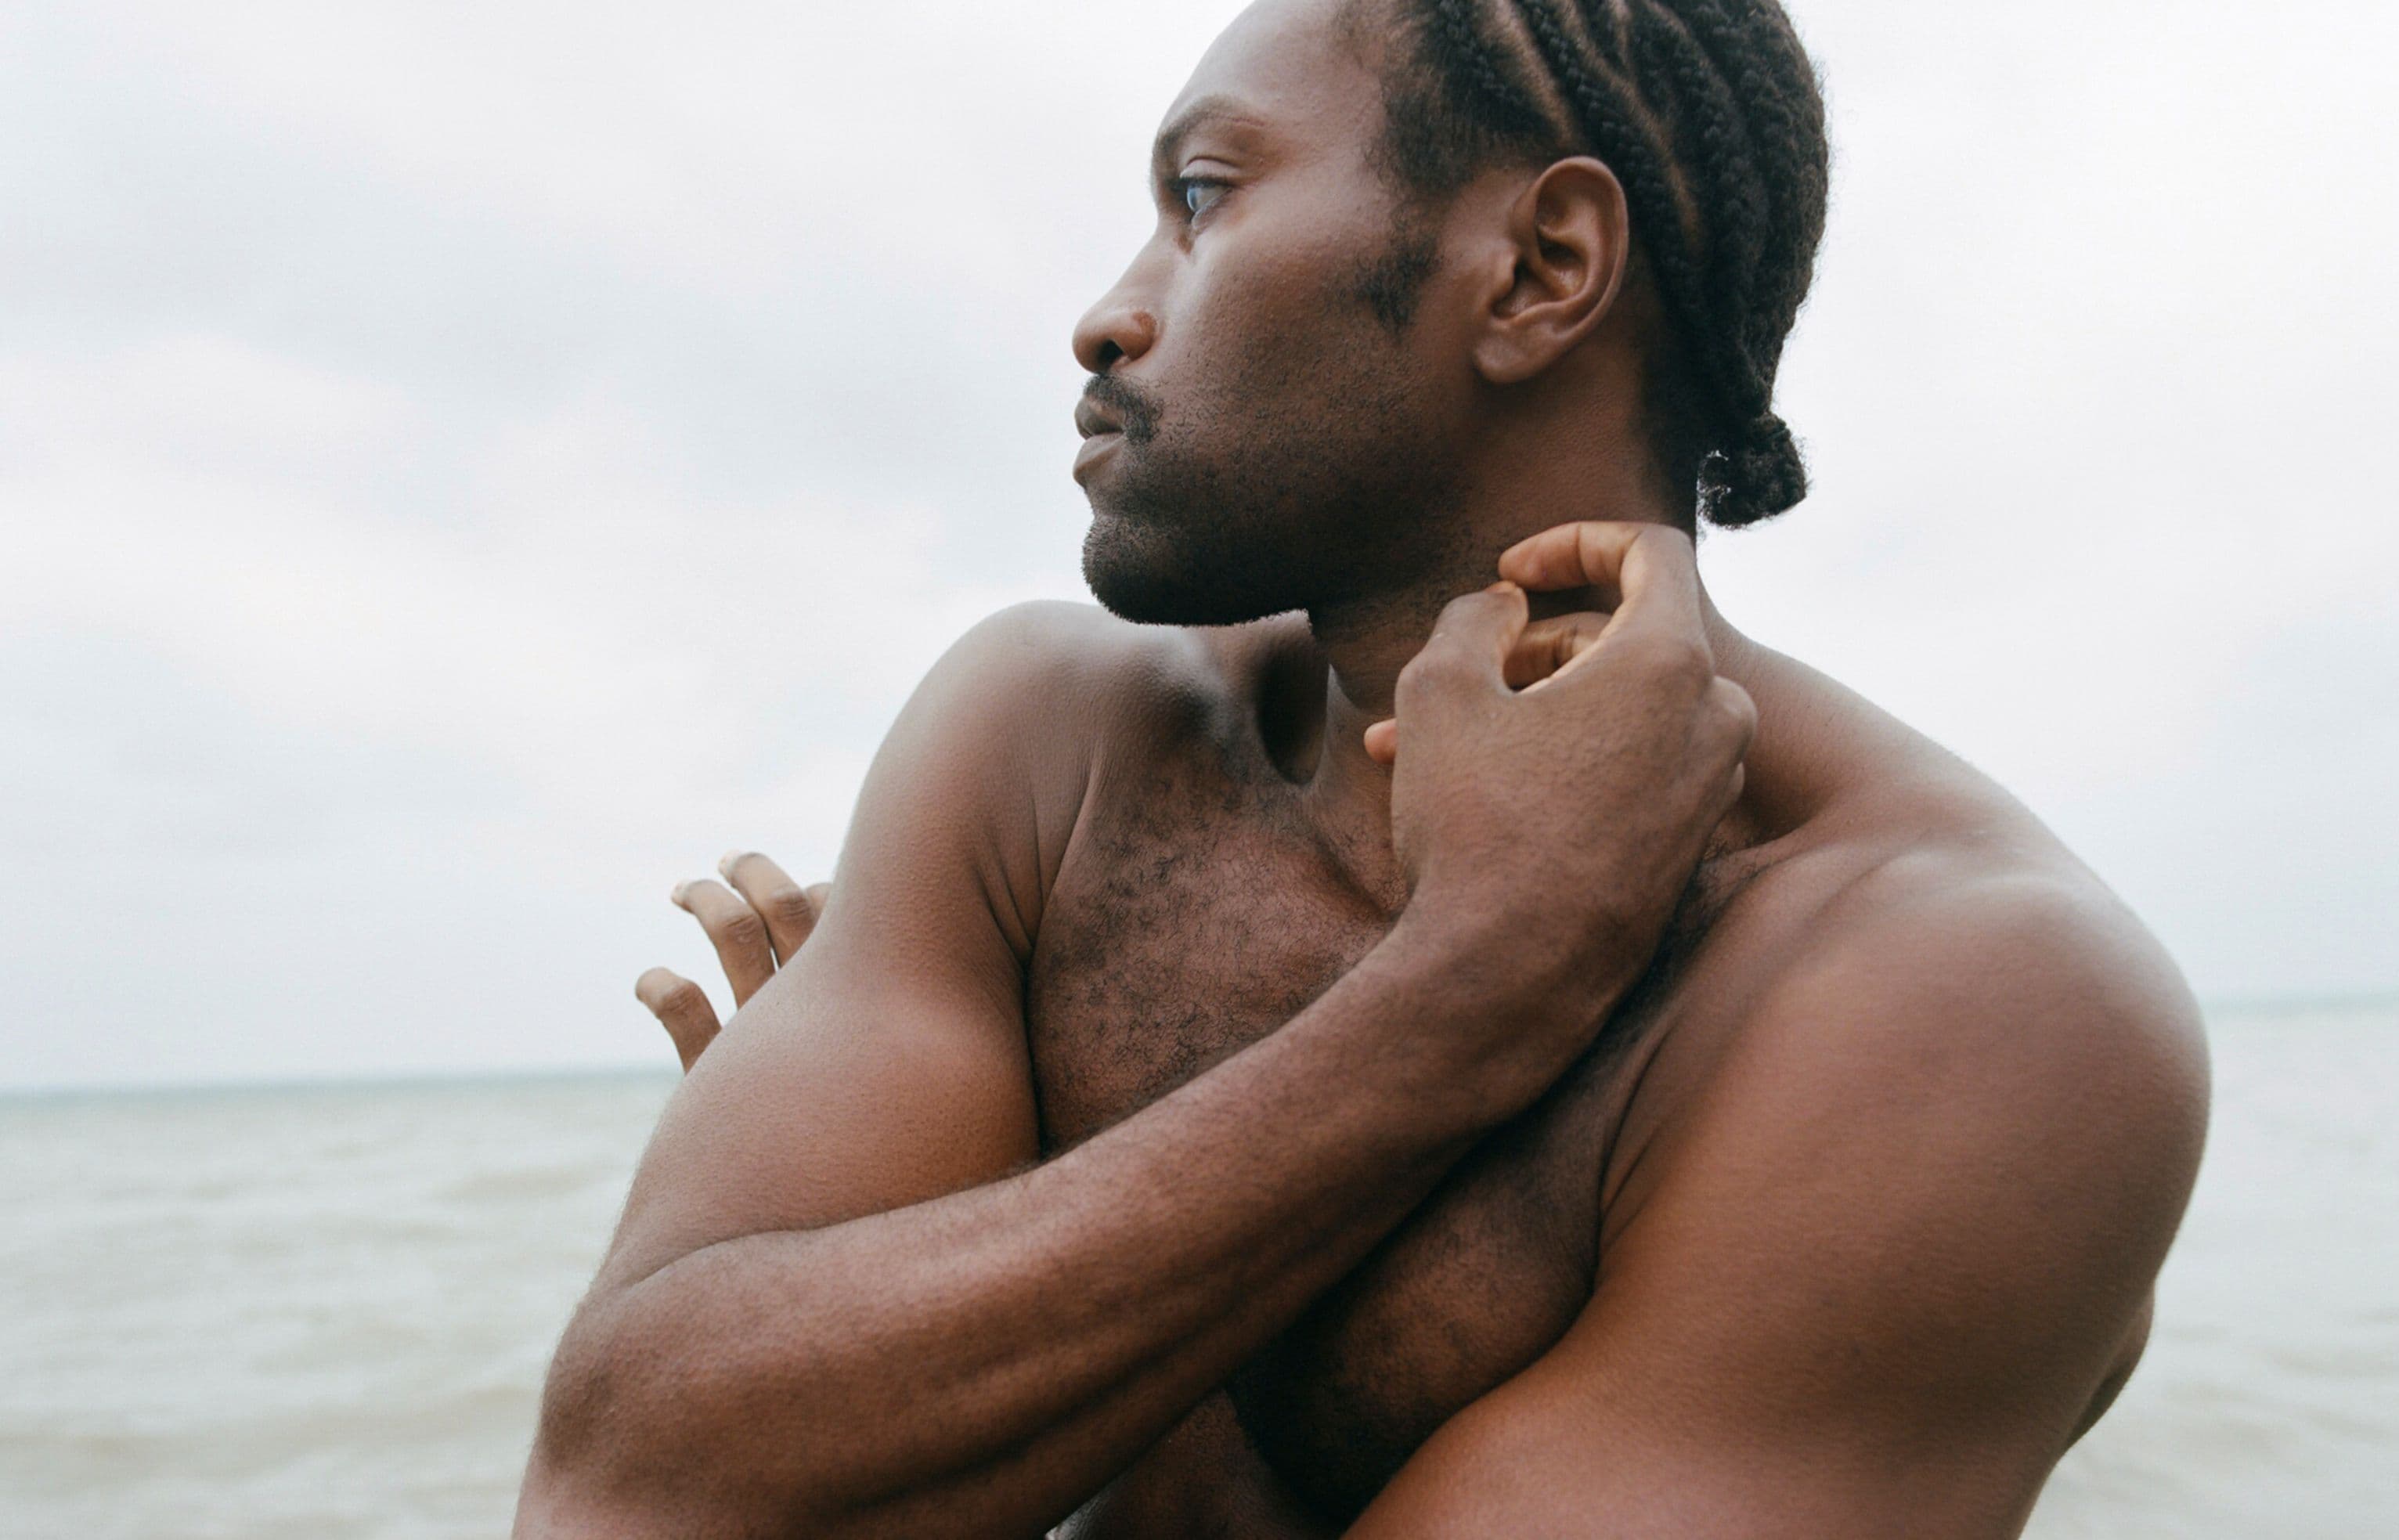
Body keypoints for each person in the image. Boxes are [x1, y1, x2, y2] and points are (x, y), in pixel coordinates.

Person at [516, 0, 2210, 1534]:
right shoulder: (1043, 747)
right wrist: (1468, 991)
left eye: (1202, 193)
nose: (1108, 316)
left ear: (1538, 269)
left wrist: (899, 1348)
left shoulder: (1965, 1000)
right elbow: (624, 1496)